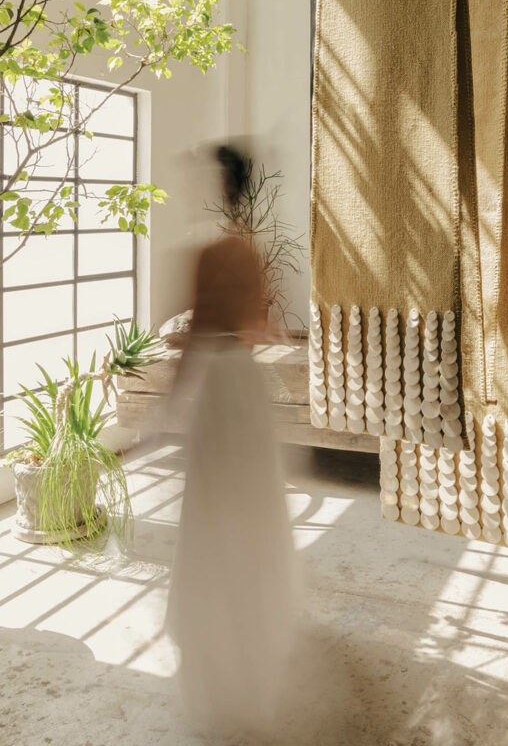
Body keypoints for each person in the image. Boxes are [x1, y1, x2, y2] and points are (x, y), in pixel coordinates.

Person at [166, 143, 294, 738]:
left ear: (221, 186)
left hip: (219, 380)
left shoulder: (209, 252)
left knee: (212, 503)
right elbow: (255, 323)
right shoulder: (253, 251)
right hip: (245, 381)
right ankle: (251, 620)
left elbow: (198, 333)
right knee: (248, 500)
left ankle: (215, 629)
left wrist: (171, 401)